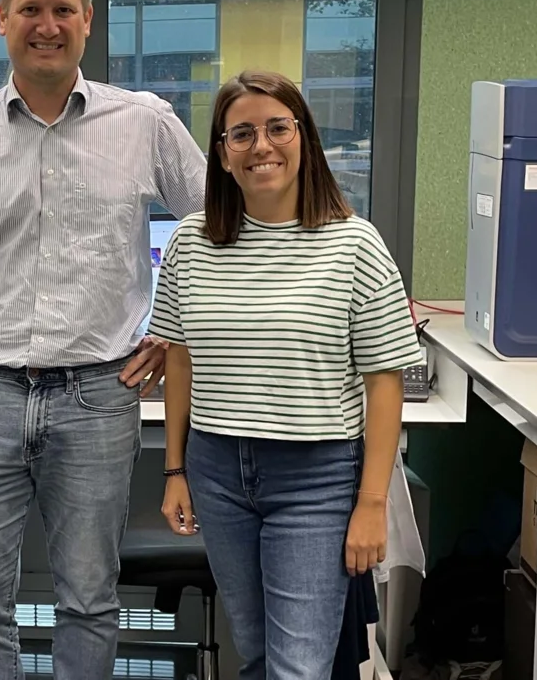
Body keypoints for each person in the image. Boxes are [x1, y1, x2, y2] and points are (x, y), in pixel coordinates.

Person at [0, 0, 206, 679]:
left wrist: (172, 329)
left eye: (63, 9)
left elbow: (215, 232)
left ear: (87, 19)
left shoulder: (145, 122)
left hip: (98, 396)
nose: (47, 24)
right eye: (30, 8)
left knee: (89, 600)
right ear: (2, 20)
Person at [150, 69, 420, 679]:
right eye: (241, 134)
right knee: (257, 654)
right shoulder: (191, 242)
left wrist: (371, 503)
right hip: (217, 470)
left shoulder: (355, 244)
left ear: (304, 138)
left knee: (299, 667)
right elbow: (180, 358)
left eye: (278, 128)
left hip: (316, 478)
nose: (261, 146)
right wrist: (175, 469)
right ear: (222, 153)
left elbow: (385, 382)